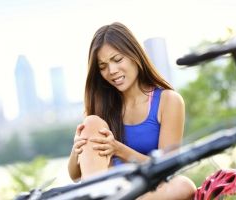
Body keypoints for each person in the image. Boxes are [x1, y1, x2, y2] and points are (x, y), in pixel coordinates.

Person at [68, 22, 196, 200]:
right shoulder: (102, 106)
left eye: (117, 59)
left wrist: (119, 150)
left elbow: (168, 168)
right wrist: (78, 148)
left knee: (184, 186)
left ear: (134, 55)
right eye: (103, 66)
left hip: (148, 190)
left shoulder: (168, 101)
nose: (112, 71)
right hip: (109, 189)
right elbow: (75, 175)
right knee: (91, 123)